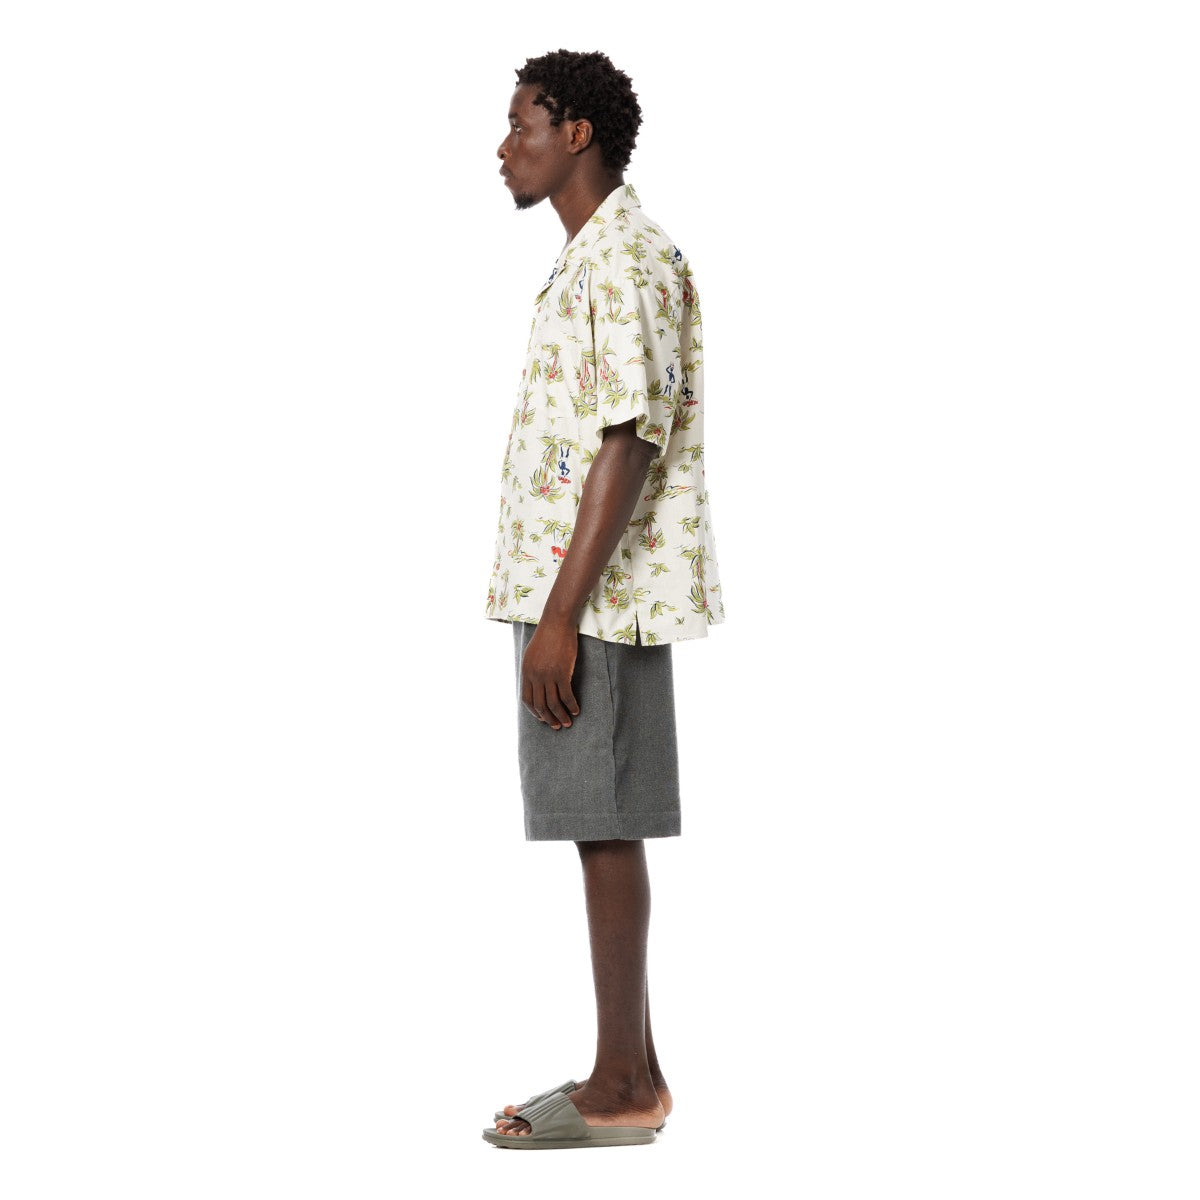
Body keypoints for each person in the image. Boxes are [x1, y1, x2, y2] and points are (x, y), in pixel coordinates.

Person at [481, 49, 725, 1150]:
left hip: (595, 601)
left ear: (575, 133)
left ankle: (620, 1085)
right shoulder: (598, 257)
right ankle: (636, 1073)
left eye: (522, 124)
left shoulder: (621, 259)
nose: (504, 147)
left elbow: (627, 444)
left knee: (604, 825)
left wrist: (559, 617)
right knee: (599, 822)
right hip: (579, 594)